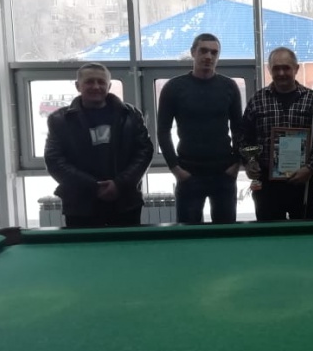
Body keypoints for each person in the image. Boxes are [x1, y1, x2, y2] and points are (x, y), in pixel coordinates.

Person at [44, 62, 153, 228]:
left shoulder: (130, 115)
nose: (96, 86)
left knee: (125, 246)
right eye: (89, 81)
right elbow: (54, 160)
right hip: (80, 205)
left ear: (109, 86)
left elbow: (144, 152)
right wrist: (93, 187)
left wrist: (119, 184)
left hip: (125, 201)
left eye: (101, 82)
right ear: (78, 86)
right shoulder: (60, 120)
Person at [157, 34, 242, 224]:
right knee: (188, 235)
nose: (208, 56)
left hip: (224, 173)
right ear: (193, 52)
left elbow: (238, 128)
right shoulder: (174, 88)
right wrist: (175, 168)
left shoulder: (229, 87)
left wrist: (236, 164)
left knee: (226, 233)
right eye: (203, 51)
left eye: (214, 52)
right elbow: (162, 131)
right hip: (188, 174)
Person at [240, 47, 313, 221]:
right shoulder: (257, 100)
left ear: (296, 69)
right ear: (269, 69)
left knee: (305, 234)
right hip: (268, 185)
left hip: (303, 182)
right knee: (270, 235)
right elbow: (244, 137)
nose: (281, 73)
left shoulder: (311, 99)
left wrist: (310, 168)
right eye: (276, 68)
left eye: (286, 68)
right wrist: (248, 162)